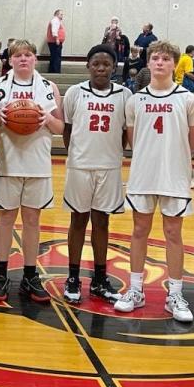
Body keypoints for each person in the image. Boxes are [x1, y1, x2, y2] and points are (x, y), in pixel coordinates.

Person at [114, 41, 194, 322]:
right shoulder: (135, 100)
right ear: (148, 63)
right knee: (139, 230)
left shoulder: (188, 99)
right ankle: (136, 290)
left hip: (174, 175)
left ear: (174, 64)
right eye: (155, 58)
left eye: (165, 58)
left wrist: (174, 159)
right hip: (143, 174)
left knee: (173, 234)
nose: (160, 62)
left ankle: (175, 294)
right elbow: (131, 140)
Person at [0, 39, 64, 303]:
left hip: (38, 163)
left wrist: (46, 118)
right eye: (17, 55)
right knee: (5, 219)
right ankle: (0, 274)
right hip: (7, 162)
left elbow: (59, 128)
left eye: (28, 54)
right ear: (9, 60)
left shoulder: (48, 87)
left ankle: (31, 274)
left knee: (32, 220)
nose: (23, 59)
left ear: (35, 59)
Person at [61, 45, 130, 304]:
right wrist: (78, 156)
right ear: (88, 66)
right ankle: (72, 277)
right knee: (78, 221)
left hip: (109, 167)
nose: (101, 68)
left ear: (114, 67)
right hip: (80, 166)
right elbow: (68, 131)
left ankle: (100, 279)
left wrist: (111, 156)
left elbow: (124, 133)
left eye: (106, 64)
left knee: (102, 222)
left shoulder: (125, 94)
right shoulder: (75, 93)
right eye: (96, 64)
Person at [46, 9, 65, 74]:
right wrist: (57, 39)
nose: (62, 16)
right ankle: (56, 72)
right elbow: (54, 30)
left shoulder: (56, 21)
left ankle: (52, 71)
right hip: (55, 42)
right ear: (57, 14)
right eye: (61, 14)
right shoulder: (55, 20)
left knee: (54, 56)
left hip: (53, 42)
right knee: (56, 57)